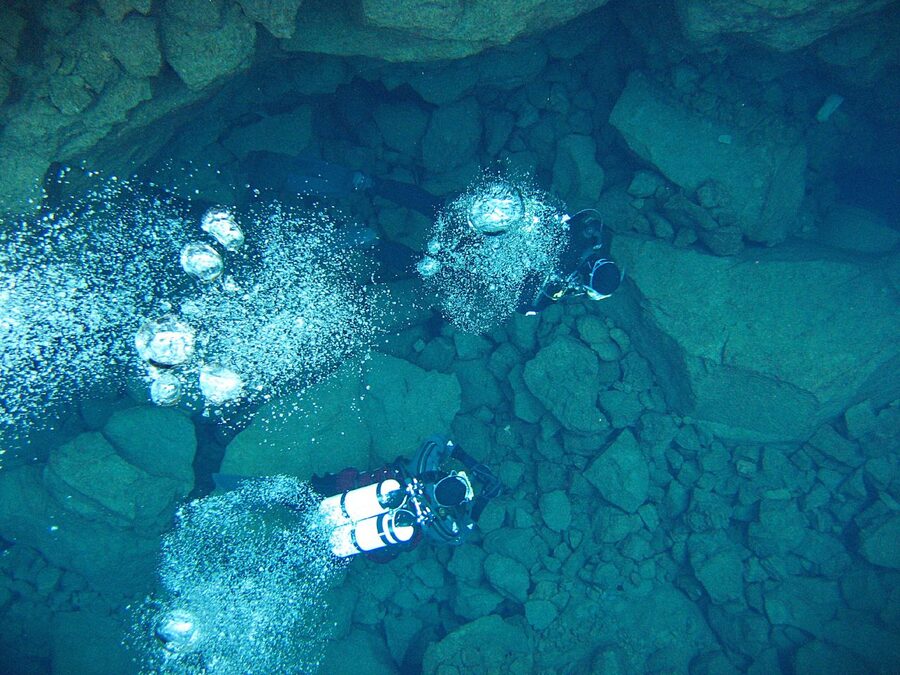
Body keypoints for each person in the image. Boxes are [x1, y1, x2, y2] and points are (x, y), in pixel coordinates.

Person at [311, 435, 502, 561]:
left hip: (347, 496)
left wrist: (469, 462)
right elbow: (460, 536)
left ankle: (306, 495)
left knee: (322, 494)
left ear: (445, 477)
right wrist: (482, 501)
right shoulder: (439, 523)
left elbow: (438, 441)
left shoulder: (421, 470)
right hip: (365, 535)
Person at [517, 208, 624, 315]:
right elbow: (525, 307)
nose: (582, 289)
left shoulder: (595, 235)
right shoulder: (564, 273)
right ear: (587, 279)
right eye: (588, 290)